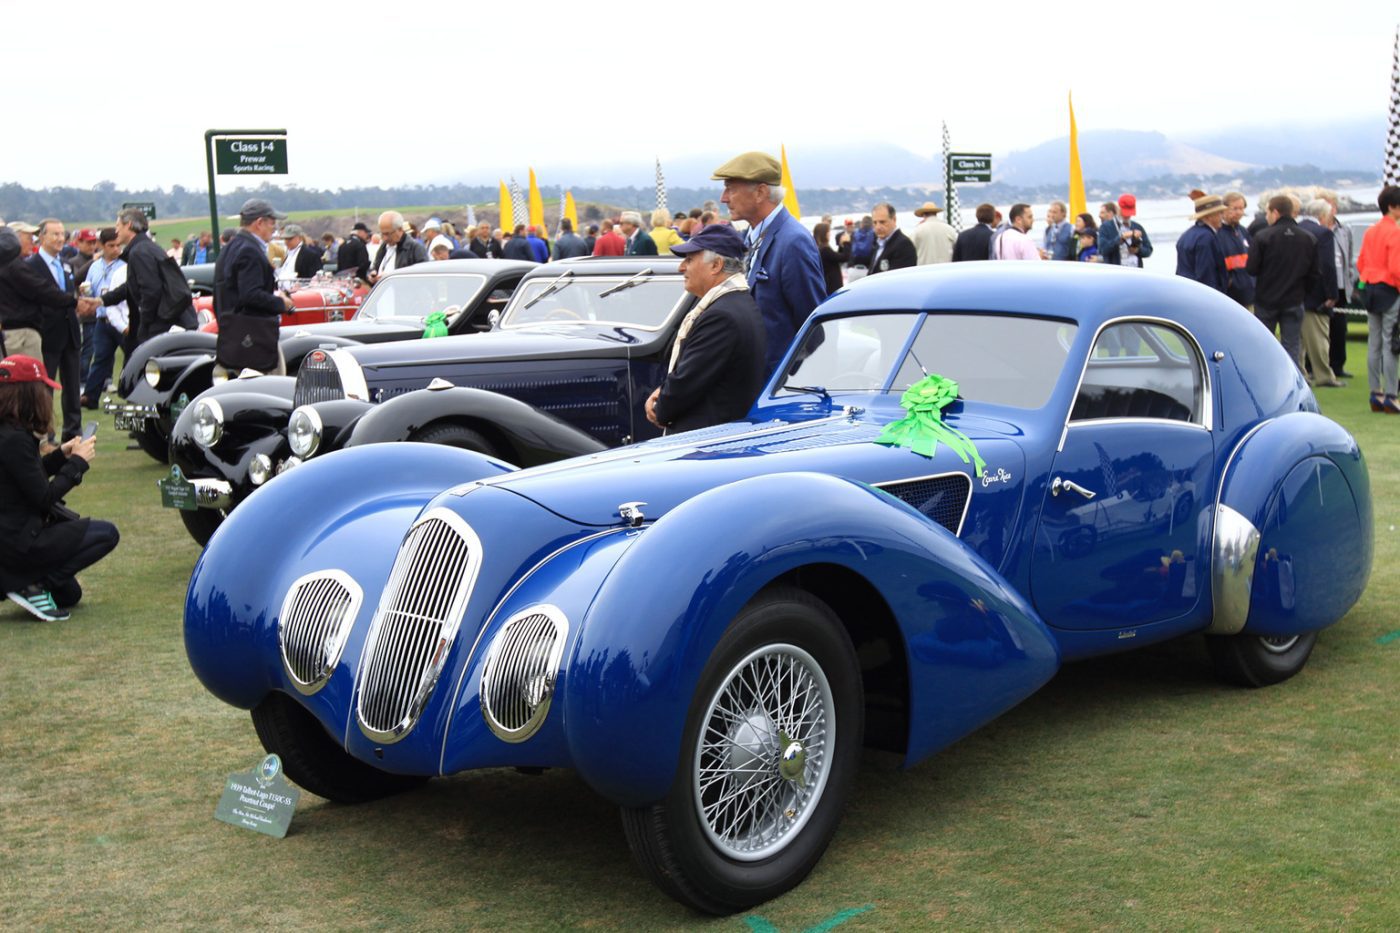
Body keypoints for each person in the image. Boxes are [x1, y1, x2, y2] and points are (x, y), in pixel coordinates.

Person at [0, 355, 118, 622]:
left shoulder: (8, 433)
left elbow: (21, 478)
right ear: (27, 393)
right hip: (17, 542)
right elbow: (43, 497)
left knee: (70, 594)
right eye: (42, 389)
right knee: (107, 534)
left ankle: (29, 582)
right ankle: (29, 585)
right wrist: (77, 464)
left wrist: (60, 456)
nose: (46, 395)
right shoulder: (15, 439)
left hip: (10, 538)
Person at [713, 150, 825, 379]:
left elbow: (814, 327)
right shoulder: (751, 237)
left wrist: (789, 382)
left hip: (776, 384)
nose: (724, 198)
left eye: (731, 188)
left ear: (761, 192)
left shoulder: (793, 242)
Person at [644, 225, 765, 434]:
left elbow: (688, 382)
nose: (681, 267)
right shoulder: (737, 304)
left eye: (689, 260)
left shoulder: (722, 316)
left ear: (716, 265)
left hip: (705, 443)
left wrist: (661, 405)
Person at [213, 199, 296, 378]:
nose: (274, 229)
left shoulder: (230, 249)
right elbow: (250, 295)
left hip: (232, 336)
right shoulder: (249, 251)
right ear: (259, 223)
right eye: (272, 223)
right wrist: (280, 302)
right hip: (252, 340)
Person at [29, 219, 92, 441]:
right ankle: (46, 433)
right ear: (42, 237)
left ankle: (73, 431)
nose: (59, 239)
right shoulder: (32, 265)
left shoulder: (65, 264)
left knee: (73, 387)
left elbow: (69, 295)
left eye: (62, 234)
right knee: (45, 389)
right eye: (54, 234)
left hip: (70, 331)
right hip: (47, 333)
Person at [97, 206, 185, 355]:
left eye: (118, 225)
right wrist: (101, 300)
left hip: (156, 327)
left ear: (129, 225)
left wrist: (144, 326)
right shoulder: (147, 247)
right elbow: (132, 286)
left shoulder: (140, 252)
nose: (116, 230)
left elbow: (151, 291)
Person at [1247, 194, 1319, 372]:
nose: (1266, 217)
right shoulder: (1308, 238)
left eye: (1268, 212)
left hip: (1266, 300)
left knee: (1264, 344)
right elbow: (1315, 273)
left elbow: (1251, 269)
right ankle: (1291, 383)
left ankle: (1264, 379)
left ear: (1276, 212)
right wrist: (1303, 292)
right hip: (1294, 299)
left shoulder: (1263, 237)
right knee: (1292, 345)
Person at [1356, 185, 1400, 412]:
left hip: (1370, 289)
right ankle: (1392, 395)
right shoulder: (1395, 232)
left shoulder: (1371, 231)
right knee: (1390, 343)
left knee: (1374, 342)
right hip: (1389, 289)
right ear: (1393, 207)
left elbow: (1361, 262)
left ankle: (1376, 392)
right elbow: (1396, 267)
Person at [1298, 199, 1343, 387]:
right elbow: (1327, 265)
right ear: (1323, 216)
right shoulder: (1324, 233)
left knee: (1297, 340)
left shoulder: (1297, 228)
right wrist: (1332, 294)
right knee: (1319, 338)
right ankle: (1324, 375)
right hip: (1316, 293)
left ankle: (1300, 374)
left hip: (1294, 291)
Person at [81, 228, 128, 407]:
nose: (116, 249)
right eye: (111, 246)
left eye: (118, 245)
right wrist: (85, 293)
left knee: (132, 359)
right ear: (101, 246)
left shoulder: (125, 266)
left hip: (123, 320)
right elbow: (90, 289)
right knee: (100, 358)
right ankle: (91, 397)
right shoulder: (94, 266)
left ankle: (132, 395)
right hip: (102, 320)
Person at [1319, 189, 1356, 378]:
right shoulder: (1317, 230)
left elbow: (1348, 257)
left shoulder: (1344, 230)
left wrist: (1350, 279)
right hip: (1323, 285)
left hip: (1341, 285)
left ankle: (1338, 365)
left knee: (1340, 328)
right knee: (1319, 328)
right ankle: (1316, 366)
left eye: (1330, 204)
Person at [1175, 192, 1229, 292]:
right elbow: (1206, 274)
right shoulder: (1206, 238)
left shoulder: (1186, 235)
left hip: (1185, 291)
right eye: (1219, 213)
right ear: (1208, 216)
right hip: (1203, 295)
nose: (1222, 217)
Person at [1218, 191, 1255, 307]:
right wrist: (1229, 282)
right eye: (1235, 209)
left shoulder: (1243, 231)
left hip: (1248, 294)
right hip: (1230, 296)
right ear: (1223, 210)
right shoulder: (1218, 233)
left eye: (1241, 209)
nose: (1239, 212)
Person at [370, 211, 428, 283]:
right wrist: (373, 274)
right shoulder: (384, 247)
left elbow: (424, 277)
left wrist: (392, 278)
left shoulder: (415, 248)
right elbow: (375, 267)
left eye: (388, 234)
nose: (384, 238)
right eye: (382, 234)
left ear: (400, 230)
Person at [1099, 198, 1153, 267]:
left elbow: (1149, 250)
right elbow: (1103, 250)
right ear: (1118, 209)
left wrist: (1138, 250)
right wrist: (1120, 239)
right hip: (1115, 271)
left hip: (1136, 270)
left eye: (1129, 213)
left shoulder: (1137, 227)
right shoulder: (1105, 227)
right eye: (1124, 213)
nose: (1127, 216)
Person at [867, 202, 917, 274]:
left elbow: (899, 278)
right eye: (875, 223)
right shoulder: (879, 244)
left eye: (882, 222)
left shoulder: (903, 245)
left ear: (894, 219)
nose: (878, 227)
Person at [813, 221, 848, 296]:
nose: (830, 234)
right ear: (824, 234)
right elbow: (844, 257)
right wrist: (846, 243)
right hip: (832, 285)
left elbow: (836, 257)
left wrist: (841, 246)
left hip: (828, 285)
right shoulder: (825, 250)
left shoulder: (820, 249)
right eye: (828, 232)